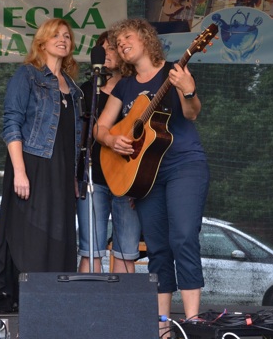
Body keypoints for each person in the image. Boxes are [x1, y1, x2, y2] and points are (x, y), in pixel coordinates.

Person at [95, 19, 210, 334]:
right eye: (118, 43)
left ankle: (191, 323)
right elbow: (100, 128)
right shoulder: (124, 86)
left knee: (183, 237)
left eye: (127, 37)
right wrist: (111, 140)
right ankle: (162, 328)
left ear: (146, 38)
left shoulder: (174, 71)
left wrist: (188, 90)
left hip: (183, 164)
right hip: (145, 176)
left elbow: (192, 113)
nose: (122, 44)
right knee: (157, 247)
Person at [0, 18, 83, 309]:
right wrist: (19, 172)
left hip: (62, 172)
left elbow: (72, 137)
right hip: (34, 165)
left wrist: (74, 175)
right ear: (42, 42)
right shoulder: (27, 75)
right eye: (55, 35)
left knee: (60, 234)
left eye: (67, 36)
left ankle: (55, 303)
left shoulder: (73, 87)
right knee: (33, 234)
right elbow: (12, 123)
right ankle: (32, 302)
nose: (63, 40)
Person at [77, 31, 142, 273]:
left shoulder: (136, 90)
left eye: (112, 48)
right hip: (93, 178)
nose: (106, 53)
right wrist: (76, 175)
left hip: (128, 180)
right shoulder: (86, 91)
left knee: (126, 253)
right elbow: (78, 137)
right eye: (102, 49)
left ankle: (123, 300)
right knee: (90, 251)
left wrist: (141, 184)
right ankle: (89, 298)